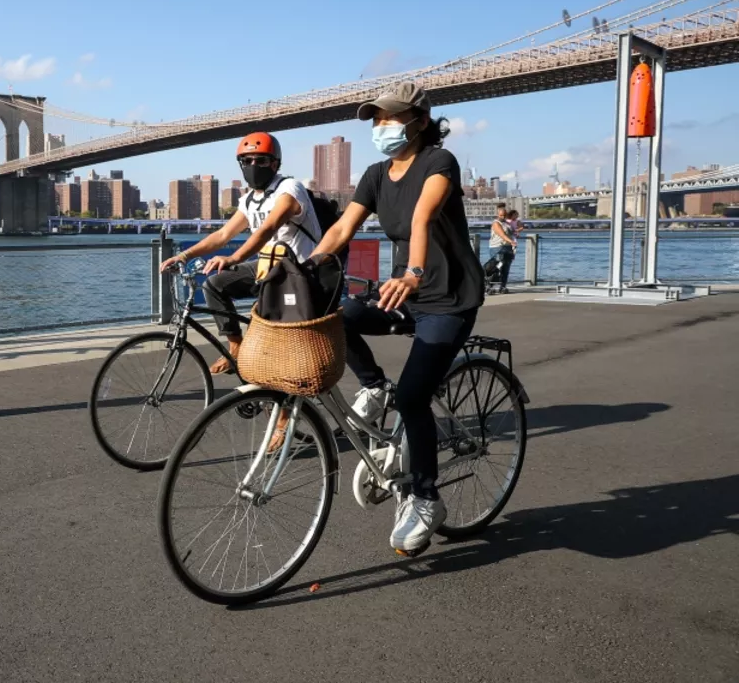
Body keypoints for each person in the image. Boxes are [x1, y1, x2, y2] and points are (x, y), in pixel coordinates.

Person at [310, 81, 484, 556]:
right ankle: (373, 385)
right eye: (376, 120)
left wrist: (411, 271)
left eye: (390, 118)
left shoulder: (438, 163)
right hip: (402, 293)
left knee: (414, 398)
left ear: (420, 121)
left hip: (447, 297)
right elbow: (344, 227)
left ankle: (426, 498)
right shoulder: (374, 173)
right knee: (341, 313)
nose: (381, 127)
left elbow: (424, 218)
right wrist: (306, 266)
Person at [159, 132, 321, 374]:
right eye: (247, 161)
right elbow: (223, 235)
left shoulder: (289, 188)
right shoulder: (248, 200)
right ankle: (235, 347)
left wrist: (234, 258)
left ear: (275, 163)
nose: (253, 166)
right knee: (214, 284)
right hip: (268, 268)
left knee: (270, 340)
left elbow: (268, 228)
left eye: (261, 160)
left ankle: (284, 405)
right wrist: (184, 256)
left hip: (298, 271)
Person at [489, 203, 518, 294]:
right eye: (501, 215)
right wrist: (511, 241)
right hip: (497, 247)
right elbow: (502, 234)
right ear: (498, 214)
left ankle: (503, 286)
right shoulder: (495, 223)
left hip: (508, 248)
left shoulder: (507, 223)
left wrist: (515, 235)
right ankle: (489, 286)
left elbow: (511, 232)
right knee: (496, 267)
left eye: (505, 215)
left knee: (506, 267)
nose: (503, 216)